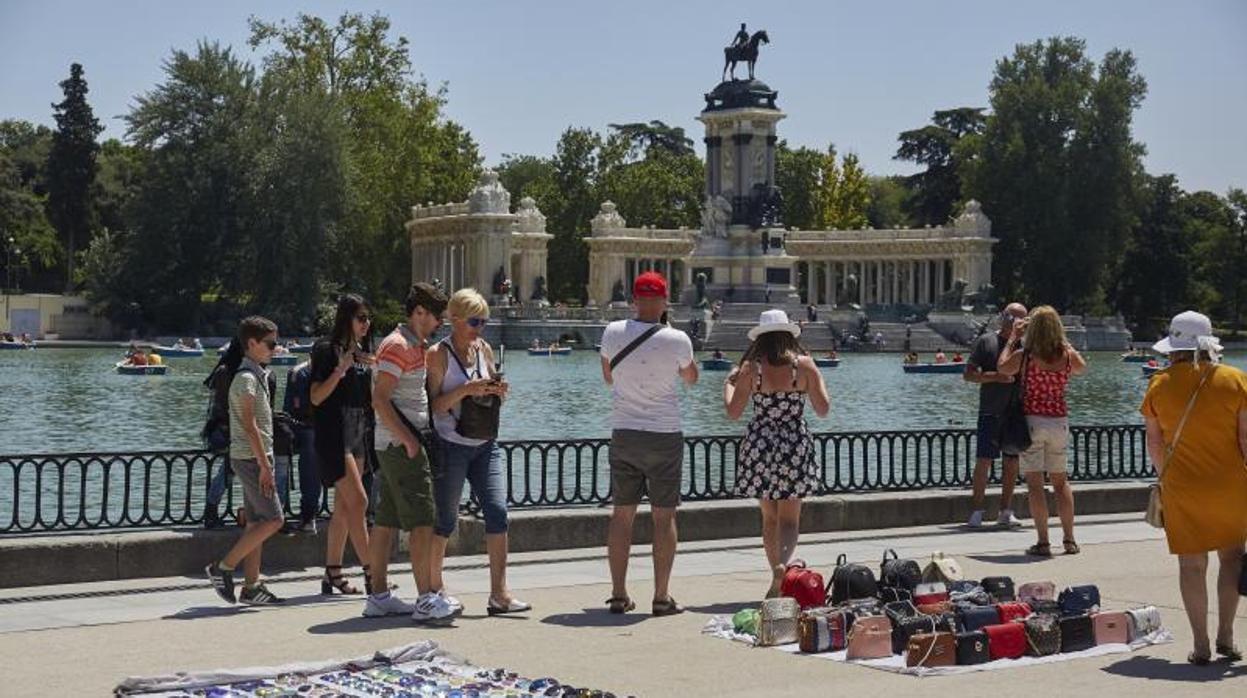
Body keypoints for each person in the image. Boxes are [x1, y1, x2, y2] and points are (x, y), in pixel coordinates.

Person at [1140, 310, 1247, 665]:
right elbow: (1245, 439)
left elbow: (1154, 444)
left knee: (1191, 566)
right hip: (1231, 483)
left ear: (1174, 347)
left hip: (1182, 485)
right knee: (1231, 559)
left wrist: (1165, 475)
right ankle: (1226, 637)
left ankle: (1200, 644)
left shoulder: (1159, 384)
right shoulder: (1235, 380)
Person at [363, 282, 464, 623]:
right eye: (437, 317)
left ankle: (378, 596)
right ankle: (425, 598)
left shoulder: (411, 345)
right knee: (423, 521)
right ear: (419, 312)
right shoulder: (398, 345)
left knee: (387, 520)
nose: (440, 323)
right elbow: (379, 398)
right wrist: (408, 439)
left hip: (392, 443)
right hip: (400, 444)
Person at [599, 271, 698, 616]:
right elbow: (691, 379)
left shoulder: (612, 333)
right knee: (663, 516)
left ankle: (617, 594)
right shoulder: (678, 339)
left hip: (625, 430)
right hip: (664, 433)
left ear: (634, 300)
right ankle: (661, 595)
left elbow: (608, 377)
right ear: (665, 301)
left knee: (621, 515)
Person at [427, 288, 530, 615]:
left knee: (498, 512)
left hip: (485, 443)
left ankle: (499, 594)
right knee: (445, 520)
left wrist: (498, 392)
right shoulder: (438, 354)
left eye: (484, 322)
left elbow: (486, 394)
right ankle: (435, 590)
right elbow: (435, 407)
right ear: (454, 319)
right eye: (474, 321)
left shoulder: (484, 349)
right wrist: (466, 390)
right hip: (451, 444)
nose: (479, 328)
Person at [724, 309, 830, 598]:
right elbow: (823, 409)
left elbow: (733, 412)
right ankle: (782, 567)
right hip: (794, 443)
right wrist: (812, 380)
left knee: (769, 519)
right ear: (788, 334)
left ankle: (777, 575)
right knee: (790, 520)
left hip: (760, 443)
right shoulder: (804, 366)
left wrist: (727, 385)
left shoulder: (751, 368)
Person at [205, 316, 285, 605]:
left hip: (253, 457)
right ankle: (223, 567)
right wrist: (265, 466)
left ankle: (251, 586)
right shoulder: (247, 379)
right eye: (271, 344)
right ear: (251, 343)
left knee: (256, 523)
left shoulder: (256, 374)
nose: (275, 349)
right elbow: (250, 426)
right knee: (275, 519)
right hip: (252, 459)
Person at [998, 305, 1086, 557]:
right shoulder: (1067, 355)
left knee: (1035, 485)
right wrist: (1065, 344)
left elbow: (1002, 366)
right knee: (1061, 483)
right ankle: (1069, 540)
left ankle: (1044, 542)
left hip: (1031, 421)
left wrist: (1013, 338)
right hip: (1059, 421)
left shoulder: (1025, 356)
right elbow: (1082, 367)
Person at [310, 294, 375, 595]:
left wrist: (374, 369)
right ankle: (373, 573)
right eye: (361, 318)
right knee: (359, 502)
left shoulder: (363, 351)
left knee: (343, 508)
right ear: (346, 318)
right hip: (334, 433)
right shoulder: (326, 350)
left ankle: (332, 573)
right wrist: (341, 369)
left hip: (358, 430)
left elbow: (367, 399)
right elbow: (316, 397)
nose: (366, 324)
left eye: (368, 318)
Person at [963, 303, 1027, 529]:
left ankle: (1005, 510)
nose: (1016, 323)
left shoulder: (1026, 347)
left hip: (1015, 413)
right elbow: (969, 375)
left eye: (1022, 320)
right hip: (990, 410)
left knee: (1011, 461)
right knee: (984, 461)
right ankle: (977, 510)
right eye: (1012, 318)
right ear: (1003, 317)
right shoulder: (986, 342)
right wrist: (994, 377)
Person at [284, 360, 321, 532]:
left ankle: (307, 516)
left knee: (310, 472)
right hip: (304, 427)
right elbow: (293, 406)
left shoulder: (303, 372)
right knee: (310, 472)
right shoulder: (299, 373)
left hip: (314, 428)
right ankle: (307, 516)